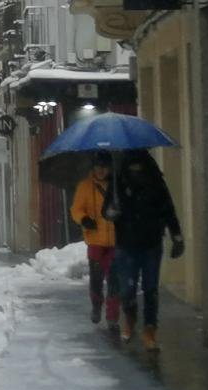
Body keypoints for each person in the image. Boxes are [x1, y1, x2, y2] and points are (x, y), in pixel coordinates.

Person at [106, 147, 185, 353]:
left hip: (151, 242)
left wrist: (176, 235)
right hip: (127, 243)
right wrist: (111, 211)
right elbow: (106, 210)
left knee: (151, 289)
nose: (136, 169)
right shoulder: (118, 182)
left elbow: (167, 208)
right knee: (128, 289)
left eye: (139, 166)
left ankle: (150, 328)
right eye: (133, 166)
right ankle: (130, 318)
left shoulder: (155, 181)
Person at [69, 151, 122, 337]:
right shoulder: (85, 187)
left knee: (115, 281)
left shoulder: (117, 186)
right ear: (93, 168)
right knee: (97, 279)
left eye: (104, 167)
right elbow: (76, 209)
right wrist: (84, 219)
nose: (101, 171)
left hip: (116, 241)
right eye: (98, 167)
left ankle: (113, 317)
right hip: (95, 241)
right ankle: (96, 305)